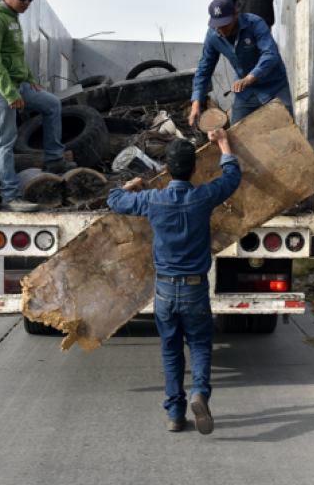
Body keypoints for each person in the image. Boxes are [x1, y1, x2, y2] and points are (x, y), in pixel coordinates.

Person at [107, 130, 241, 434]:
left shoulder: (153, 199)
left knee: (170, 348)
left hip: (165, 290)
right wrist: (223, 144)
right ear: (194, 169)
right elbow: (232, 177)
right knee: (200, 343)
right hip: (195, 288)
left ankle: (175, 414)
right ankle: (200, 394)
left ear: (165, 169)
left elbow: (115, 200)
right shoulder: (204, 195)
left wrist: (130, 186)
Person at [0, 0, 76, 212]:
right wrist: (10, 93)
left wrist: (29, 79)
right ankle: (10, 196)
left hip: (17, 85)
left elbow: (16, 56)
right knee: (5, 142)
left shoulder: (12, 18)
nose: (27, 2)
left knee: (52, 103)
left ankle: (53, 161)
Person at [189, 0, 293, 129]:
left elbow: (270, 54)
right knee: (236, 138)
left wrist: (249, 78)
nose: (221, 29)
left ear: (236, 15)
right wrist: (195, 105)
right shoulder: (212, 36)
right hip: (245, 92)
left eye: (225, 23)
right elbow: (204, 70)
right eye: (217, 25)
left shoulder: (255, 24)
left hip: (274, 87)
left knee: (287, 134)